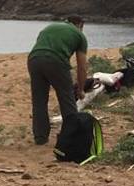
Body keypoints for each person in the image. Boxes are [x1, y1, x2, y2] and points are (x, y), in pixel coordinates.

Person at [28, 16, 89, 145]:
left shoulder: (49, 27)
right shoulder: (79, 35)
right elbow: (82, 67)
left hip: (34, 59)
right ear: (80, 25)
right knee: (66, 98)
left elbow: (41, 45)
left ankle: (40, 137)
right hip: (56, 60)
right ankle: (71, 136)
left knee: (39, 100)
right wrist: (81, 89)